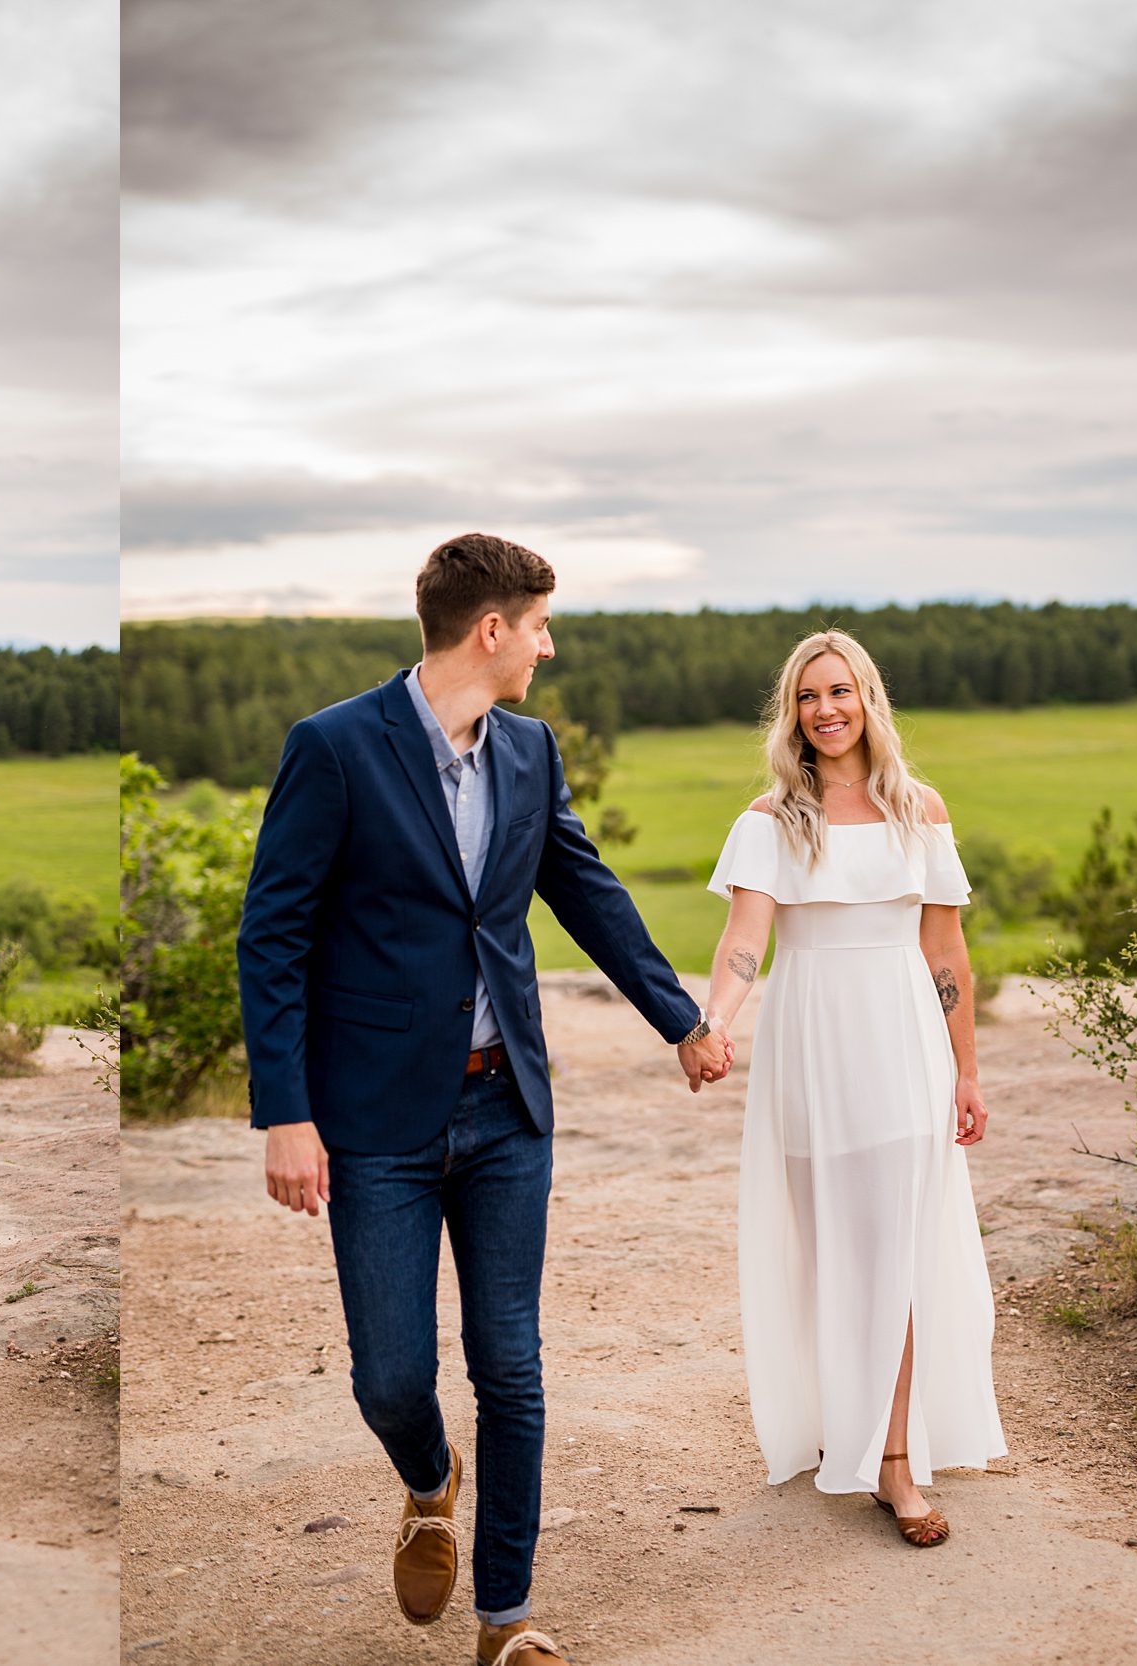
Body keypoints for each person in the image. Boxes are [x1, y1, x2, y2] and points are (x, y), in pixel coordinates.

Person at [239, 534, 730, 1666]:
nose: (548, 648)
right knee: (391, 1376)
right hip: (372, 1122)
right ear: (489, 629)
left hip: (506, 1107)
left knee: (509, 1366)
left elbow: (584, 889)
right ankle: (425, 1476)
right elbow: (271, 936)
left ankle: (504, 1620)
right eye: (540, 626)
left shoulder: (529, 751)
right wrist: (286, 1110)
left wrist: (681, 1021)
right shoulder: (333, 748)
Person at [700, 628, 1003, 1545]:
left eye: (840, 692)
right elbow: (746, 939)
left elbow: (945, 952)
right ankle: (849, 1427)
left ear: (868, 698)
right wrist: (715, 1021)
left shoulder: (921, 812)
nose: (825, 710)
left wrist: (967, 1070)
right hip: (811, 1046)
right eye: (806, 697)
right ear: (791, 713)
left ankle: (897, 1461)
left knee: (895, 1253)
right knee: (833, 1250)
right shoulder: (769, 818)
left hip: (903, 1040)